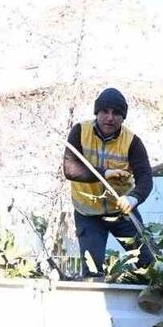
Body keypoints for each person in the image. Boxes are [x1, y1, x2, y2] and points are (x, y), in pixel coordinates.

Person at [61, 88, 154, 277]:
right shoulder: (79, 131)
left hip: (122, 211)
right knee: (93, 271)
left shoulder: (133, 142)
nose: (110, 118)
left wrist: (133, 199)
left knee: (150, 265)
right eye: (105, 111)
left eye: (116, 113)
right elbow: (70, 169)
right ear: (97, 112)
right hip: (88, 213)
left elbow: (146, 178)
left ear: (123, 117)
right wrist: (106, 173)